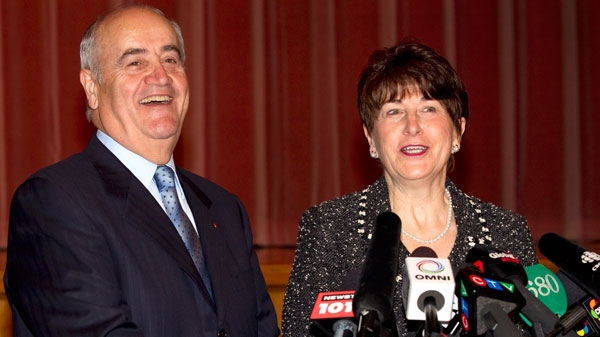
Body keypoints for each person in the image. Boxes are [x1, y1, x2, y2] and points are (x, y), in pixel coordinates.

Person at [4, 5, 279, 337]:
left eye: (171, 60)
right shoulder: (53, 203)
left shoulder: (224, 208)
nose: (160, 77)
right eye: (135, 63)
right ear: (92, 87)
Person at [282, 39, 538, 337]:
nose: (412, 126)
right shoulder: (329, 228)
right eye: (393, 111)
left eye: (429, 108)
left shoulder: (507, 230)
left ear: (458, 130)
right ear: (370, 136)